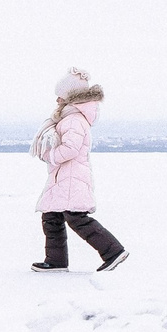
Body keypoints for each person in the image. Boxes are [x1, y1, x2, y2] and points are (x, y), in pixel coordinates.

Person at [31, 68, 130, 272]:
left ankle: (113, 251)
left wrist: (50, 155)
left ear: (70, 97)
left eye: (61, 95)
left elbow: (71, 149)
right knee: (51, 216)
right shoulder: (68, 118)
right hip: (63, 177)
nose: (57, 99)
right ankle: (56, 261)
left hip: (71, 177)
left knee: (76, 217)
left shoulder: (74, 120)